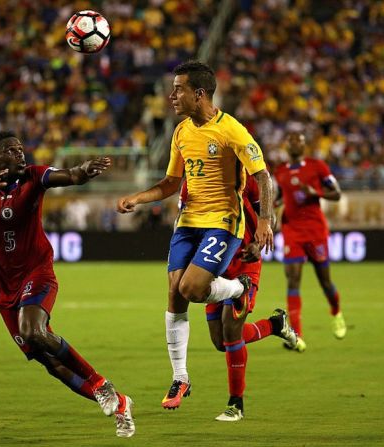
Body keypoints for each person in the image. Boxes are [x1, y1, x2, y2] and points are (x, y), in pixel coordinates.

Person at [0, 131, 135, 438]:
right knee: (48, 361)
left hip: (36, 272)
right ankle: (119, 405)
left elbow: (70, 176)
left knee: (33, 330)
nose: (20, 154)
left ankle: (102, 385)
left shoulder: (34, 177)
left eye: (21, 148)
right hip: (2, 288)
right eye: (12, 150)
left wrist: (83, 171)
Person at [116, 61, 275, 411]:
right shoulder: (181, 132)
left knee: (192, 288)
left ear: (199, 94)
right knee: (175, 293)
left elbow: (263, 176)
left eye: (178, 89)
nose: (171, 96)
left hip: (223, 221)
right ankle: (181, 377)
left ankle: (238, 289)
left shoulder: (231, 130)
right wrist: (138, 199)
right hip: (187, 221)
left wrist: (265, 219)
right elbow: (172, 183)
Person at [179, 175, 297, 421]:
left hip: (244, 262)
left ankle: (236, 403)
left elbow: (268, 215)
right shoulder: (193, 179)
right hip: (212, 264)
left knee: (232, 330)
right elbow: (184, 223)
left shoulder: (247, 176)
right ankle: (275, 324)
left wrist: (258, 242)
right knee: (220, 341)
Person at [273, 132, 347, 352]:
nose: (295, 144)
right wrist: (271, 208)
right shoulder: (280, 171)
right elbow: (278, 196)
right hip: (292, 231)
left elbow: (337, 193)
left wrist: (315, 192)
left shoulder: (318, 166)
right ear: (286, 146)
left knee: (325, 281)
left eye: (299, 141)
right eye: (291, 141)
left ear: (304, 146)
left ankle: (336, 312)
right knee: (293, 279)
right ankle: (296, 335)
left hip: (315, 231)